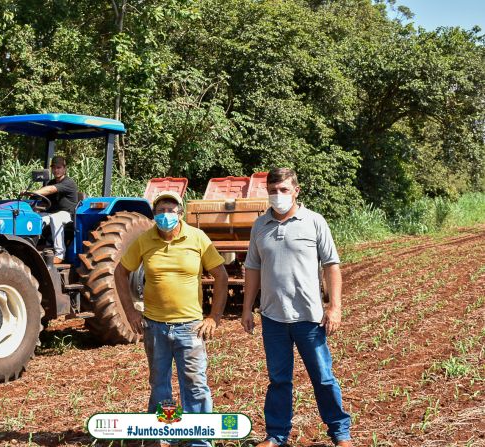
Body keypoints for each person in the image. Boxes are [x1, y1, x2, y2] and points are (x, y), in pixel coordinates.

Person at [241, 168, 353, 447]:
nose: (277, 196)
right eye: (272, 190)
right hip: (272, 318)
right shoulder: (260, 225)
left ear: (296, 191)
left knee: (323, 378)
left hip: (309, 318)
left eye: (283, 190)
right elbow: (252, 268)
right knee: (279, 380)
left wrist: (334, 307)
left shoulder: (314, 221)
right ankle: (277, 435)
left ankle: (341, 433)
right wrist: (246, 309)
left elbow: (331, 265)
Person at [116, 190, 229, 447]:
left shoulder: (197, 238)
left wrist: (214, 317)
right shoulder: (145, 240)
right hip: (155, 327)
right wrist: (131, 312)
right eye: (160, 211)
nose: (165, 215)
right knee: (160, 386)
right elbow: (120, 272)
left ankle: (199, 440)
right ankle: (164, 436)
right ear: (154, 215)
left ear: (180, 213)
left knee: (196, 386)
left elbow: (220, 276)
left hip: (190, 327)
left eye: (171, 210)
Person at [32, 155, 78, 264]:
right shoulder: (51, 182)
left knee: (55, 218)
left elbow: (50, 190)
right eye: (54, 168)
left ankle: (60, 254)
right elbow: (45, 198)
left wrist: (36, 192)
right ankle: (34, 247)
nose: (56, 170)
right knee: (35, 217)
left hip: (68, 214)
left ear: (64, 168)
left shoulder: (68, 183)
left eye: (59, 167)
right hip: (53, 212)